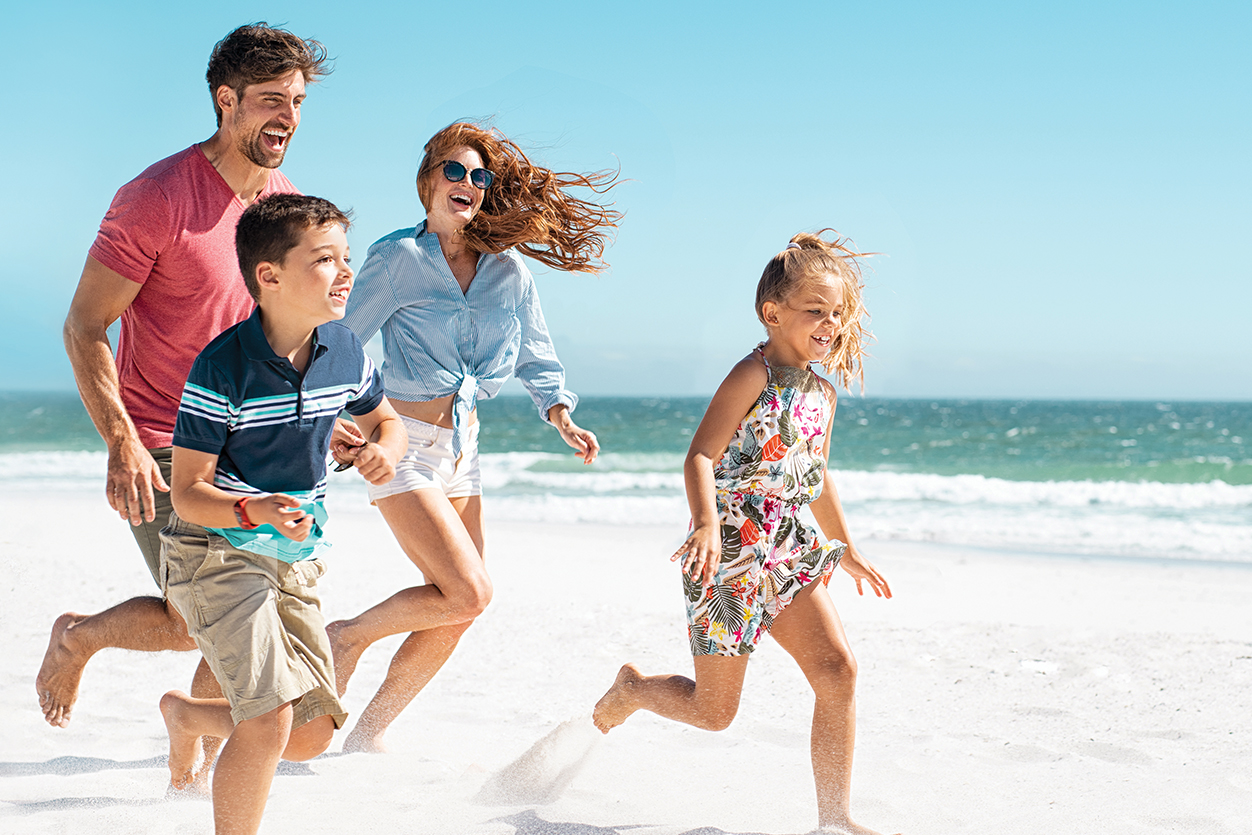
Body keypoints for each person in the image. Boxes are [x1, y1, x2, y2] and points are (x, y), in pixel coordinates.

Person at [37, 23, 329, 734]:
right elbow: (83, 326)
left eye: (295, 100)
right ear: (225, 101)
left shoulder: (283, 203)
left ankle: (191, 747)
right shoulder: (156, 197)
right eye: (269, 100)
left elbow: (278, 329)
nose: (286, 117)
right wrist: (122, 442)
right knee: (211, 615)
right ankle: (79, 638)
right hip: (167, 443)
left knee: (223, 613)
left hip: (252, 444)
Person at [326, 121, 621, 752]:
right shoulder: (395, 259)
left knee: (462, 606)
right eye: (454, 171)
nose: (466, 183)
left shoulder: (508, 272)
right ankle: (346, 636)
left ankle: (369, 733)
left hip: (463, 450)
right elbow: (341, 340)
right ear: (427, 181)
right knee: (467, 588)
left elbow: (538, 353)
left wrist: (559, 413)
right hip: (400, 441)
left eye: (479, 176)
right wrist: (330, 416)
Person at [592, 232, 897, 835]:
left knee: (838, 671)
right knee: (714, 713)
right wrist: (705, 523)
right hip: (728, 551)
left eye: (837, 313)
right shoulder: (750, 373)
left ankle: (834, 818)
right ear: (773, 313)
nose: (829, 323)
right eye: (815, 310)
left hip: (788, 548)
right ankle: (632, 690)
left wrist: (850, 548)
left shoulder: (822, 392)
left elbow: (817, 476)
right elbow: (700, 456)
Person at [158, 194, 404, 835]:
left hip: (294, 555)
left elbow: (385, 418)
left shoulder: (346, 349)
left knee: (311, 733)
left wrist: (382, 450)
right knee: (269, 721)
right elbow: (187, 492)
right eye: (325, 260)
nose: (347, 272)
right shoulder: (223, 366)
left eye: (346, 258)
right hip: (215, 549)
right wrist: (253, 507)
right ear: (268, 277)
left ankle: (189, 715)